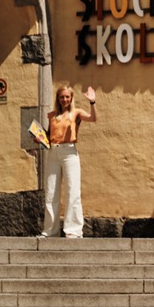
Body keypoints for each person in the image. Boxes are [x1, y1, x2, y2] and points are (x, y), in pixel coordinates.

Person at [41, 85, 97, 239]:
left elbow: (93, 118)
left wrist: (92, 103)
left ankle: (73, 230)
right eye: (61, 97)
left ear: (71, 98)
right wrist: (39, 138)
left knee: (72, 190)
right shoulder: (52, 115)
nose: (64, 99)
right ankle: (50, 231)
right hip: (53, 151)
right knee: (51, 192)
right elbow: (48, 135)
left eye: (67, 97)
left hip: (69, 152)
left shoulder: (76, 113)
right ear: (58, 99)